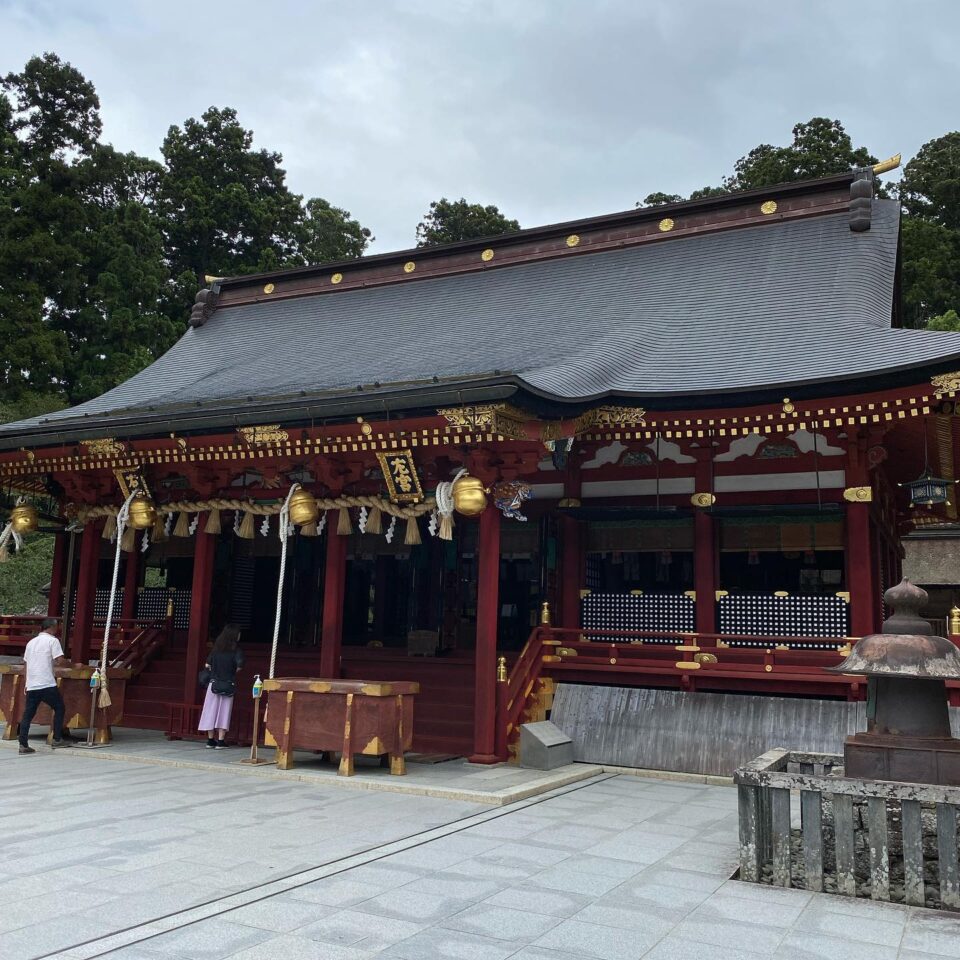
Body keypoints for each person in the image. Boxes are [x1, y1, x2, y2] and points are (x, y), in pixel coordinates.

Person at [18, 618, 74, 755]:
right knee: (59, 707)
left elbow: (26, 665)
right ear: (52, 627)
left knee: (28, 715)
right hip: (46, 683)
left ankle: (23, 744)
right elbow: (60, 661)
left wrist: (27, 682)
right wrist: (74, 665)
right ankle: (57, 738)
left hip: (32, 684)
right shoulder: (52, 641)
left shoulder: (31, 643)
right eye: (57, 626)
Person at [198, 624, 243, 749]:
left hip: (213, 683)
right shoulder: (236, 651)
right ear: (234, 635)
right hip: (228, 684)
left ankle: (210, 739)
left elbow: (207, 665)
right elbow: (239, 667)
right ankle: (221, 740)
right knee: (224, 711)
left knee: (210, 710)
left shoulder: (216, 650)